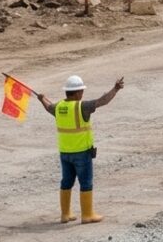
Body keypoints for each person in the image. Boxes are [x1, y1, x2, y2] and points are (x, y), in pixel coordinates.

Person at [38, 74, 123, 224]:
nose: (82, 94)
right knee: (86, 183)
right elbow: (101, 101)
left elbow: (48, 107)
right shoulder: (81, 106)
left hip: (65, 153)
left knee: (66, 182)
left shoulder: (59, 107)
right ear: (77, 92)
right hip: (82, 153)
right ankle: (87, 215)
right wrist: (115, 89)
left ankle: (65, 214)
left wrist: (42, 99)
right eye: (81, 91)